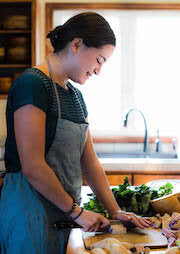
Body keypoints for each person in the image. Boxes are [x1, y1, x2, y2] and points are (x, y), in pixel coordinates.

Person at [0, 12, 150, 254]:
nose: (99, 70)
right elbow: (33, 166)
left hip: (63, 214)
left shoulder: (76, 97)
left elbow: (89, 162)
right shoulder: (32, 84)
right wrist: (77, 212)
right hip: (29, 212)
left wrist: (115, 211)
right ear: (77, 44)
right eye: (99, 59)